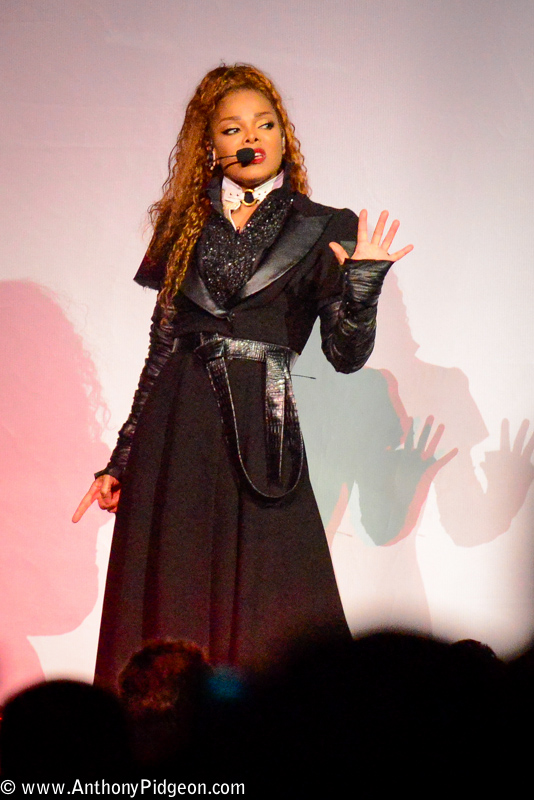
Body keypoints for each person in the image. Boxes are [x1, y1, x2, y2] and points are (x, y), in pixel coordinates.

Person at [73, 64, 413, 686]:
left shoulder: (323, 226)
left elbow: (345, 354)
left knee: (271, 606)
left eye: (265, 124)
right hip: (176, 433)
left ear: (284, 137)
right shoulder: (183, 226)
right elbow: (162, 348)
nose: (251, 137)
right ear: (212, 146)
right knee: (172, 601)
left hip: (262, 425)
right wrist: (121, 458)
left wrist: (363, 285)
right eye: (232, 129)